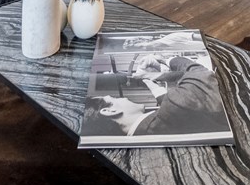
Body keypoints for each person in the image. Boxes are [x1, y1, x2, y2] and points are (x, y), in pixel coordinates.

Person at [81, 54, 230, 139]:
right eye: (115, 99)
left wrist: (152, 78)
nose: (124, 98)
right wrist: (165, 59)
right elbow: (200, 73)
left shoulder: (142, 134)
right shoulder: (173, 108)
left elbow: (171, 110)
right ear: (109, 111)